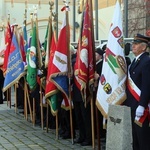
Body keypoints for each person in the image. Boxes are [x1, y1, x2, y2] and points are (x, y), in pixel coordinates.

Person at [124, 33, 150, 150]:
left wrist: (142, 105)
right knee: (135, 138)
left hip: (141, 107)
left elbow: (146, 86)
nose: (133, 46)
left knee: (143, 138)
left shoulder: (146, 61)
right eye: (133, 44)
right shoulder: (135, 61)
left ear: (144, 47)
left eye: (136, 44)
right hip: (133, 104)